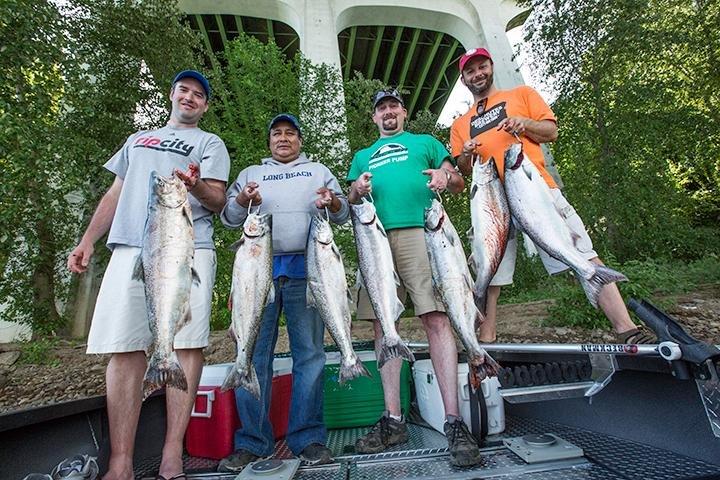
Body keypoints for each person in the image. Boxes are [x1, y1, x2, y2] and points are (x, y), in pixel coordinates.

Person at [67, 70, 231, 480]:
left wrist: (194, 188)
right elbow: (115, 193)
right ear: (172, 95)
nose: (190, 98)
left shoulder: (209, 143)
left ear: (205, 105)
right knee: (124, 348)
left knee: (187, 345)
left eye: (198, 95)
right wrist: (88, 239)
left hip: (189, 249)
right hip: (131, 246)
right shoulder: (137, 139)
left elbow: (217, 198)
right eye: (184, 91)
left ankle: (172, 451)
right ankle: (121, 461)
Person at [450, 47, 655, 345]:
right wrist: (466, 154)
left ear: (491, 67)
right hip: (490, 200)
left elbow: (550, 131)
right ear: (464, 79)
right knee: (488, 271)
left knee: (580, 251)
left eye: (481, 67)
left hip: (535, 192)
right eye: (470, 71)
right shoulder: (460, 123)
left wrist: (524, 123)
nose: (477, 74)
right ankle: (487, 338)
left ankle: (627, 329)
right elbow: (463, 168)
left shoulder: (521, 94)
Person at [346, 89, 483, 467]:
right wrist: (356, 189)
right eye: (381, 108)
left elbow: (456, 181)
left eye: (393, 106)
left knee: (436, 319)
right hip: (374, 240)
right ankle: (393, 420)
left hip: (425, 236)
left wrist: (444, 174)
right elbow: (350, 200)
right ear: (374, 118)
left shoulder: (425, 142)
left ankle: (453, 422)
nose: (388, 112)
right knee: (381, 325)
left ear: (403, 113)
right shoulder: (362, 156)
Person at [217, 113, 350, 472]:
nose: (284, 139)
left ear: (300, 141)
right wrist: (243, 198)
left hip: (309, 273)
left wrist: (333, 202)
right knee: (252, 356)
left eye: (291, 133)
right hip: (255, 277)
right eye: (277, 133)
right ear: (269, 141)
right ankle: (253, 442)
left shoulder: (318, 171)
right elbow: (228, 218)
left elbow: (343, 214)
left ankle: (307, 439)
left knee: (309, 356)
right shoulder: (250, 174)